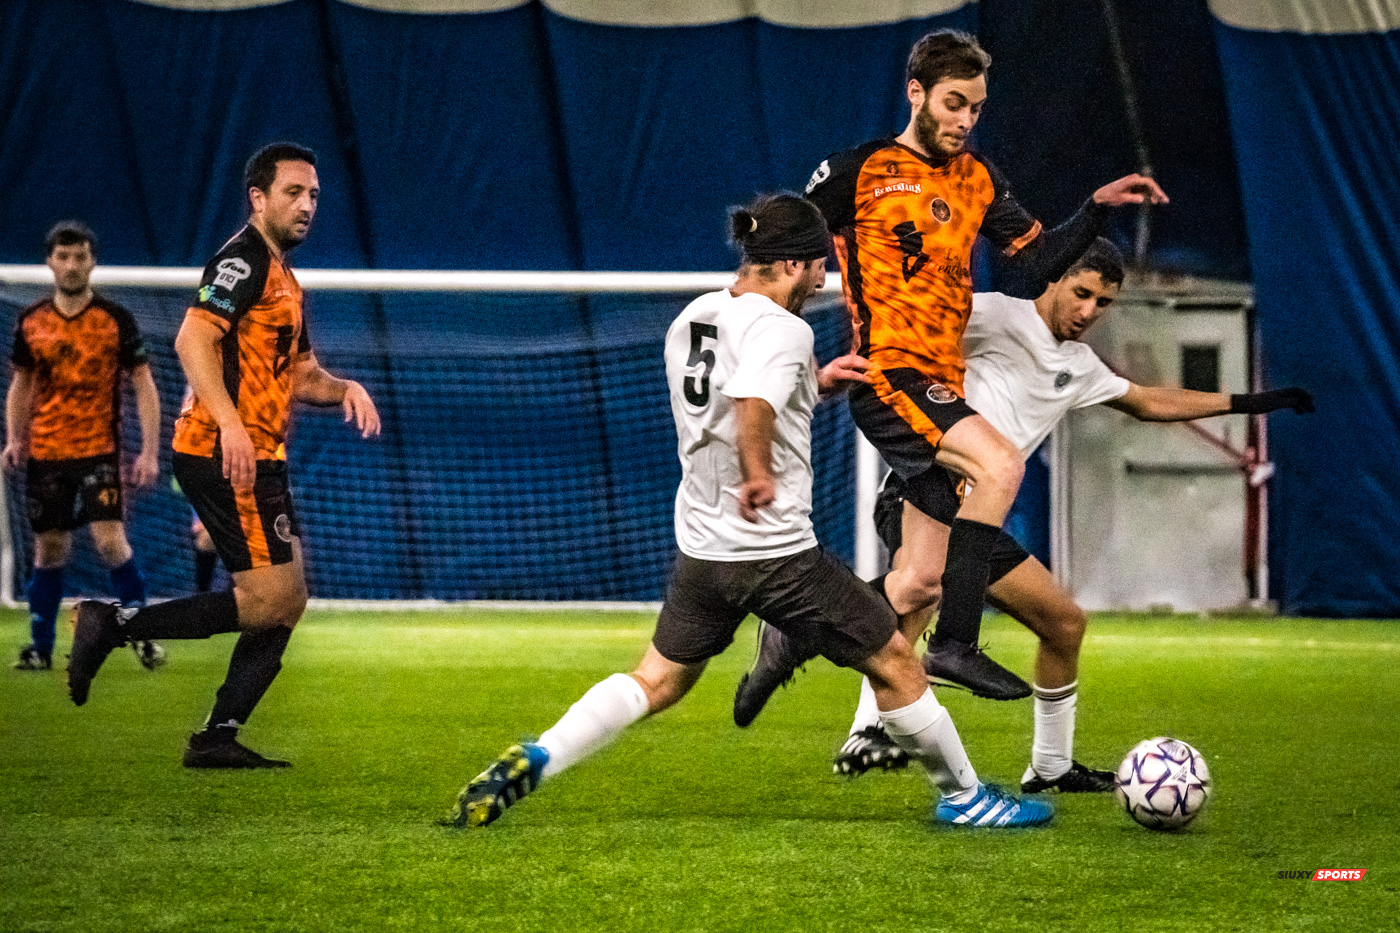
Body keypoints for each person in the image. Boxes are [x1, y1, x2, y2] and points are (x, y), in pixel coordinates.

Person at [444, 193, 1051, 830]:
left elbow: (731, 396)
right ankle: (966, 799)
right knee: (895, 660)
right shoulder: (785, 329)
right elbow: (750, 403)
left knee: (657, 680)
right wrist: (758, 473)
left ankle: (540, 754)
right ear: (791, 264)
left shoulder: (694, 317)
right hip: (775, 553)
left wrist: (817, 384)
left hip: (702, 551)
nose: (820, 279)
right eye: (817, 266)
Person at [739, 238, 1314, 792]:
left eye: (1103, 302)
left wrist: (1251, 403)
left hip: (980, 516)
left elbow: (1147, 400)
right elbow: (913, 336)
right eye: (1082, 293)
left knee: (1063, 623)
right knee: (921, 589)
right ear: (1055, 278)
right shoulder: (995, 315)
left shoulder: (1081, 365)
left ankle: (1051, 767)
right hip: (924, 487)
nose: (1089, 311)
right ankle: (859, 719)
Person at [802, 29, 1169, 700]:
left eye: (975, 108)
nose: (965, 120)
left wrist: (1094, 211)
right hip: (890, 372)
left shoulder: (978, 178)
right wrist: (783, 346)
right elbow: (788, 248)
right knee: (1000, 465)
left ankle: (799, 642)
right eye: (954, 103)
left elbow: (1037, 261)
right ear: (916, 93)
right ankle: (955, 645)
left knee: (919, 579)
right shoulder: (858, 170)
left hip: (941, 381)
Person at [65, 142, 381, 769]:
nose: (307, 204)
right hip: (223, 452)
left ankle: (217, 735)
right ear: (257, 198)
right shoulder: (242, 259)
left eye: (314, 195)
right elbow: (192, 339)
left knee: (285, 601)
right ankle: (113, 624)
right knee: (268, 601)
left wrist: (346, 387)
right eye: (293, 192)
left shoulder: (284, 279)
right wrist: (231, 425)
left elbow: (302, 375)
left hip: (259, 455)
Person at [4, 221, 164, 672]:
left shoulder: (115, 320)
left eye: (80, 256)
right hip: (46, 454)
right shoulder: (32, 321)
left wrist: (150, 451)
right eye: (63, 256)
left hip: (98, 451)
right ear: (49, 262)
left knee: (110, 541)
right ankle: (41, 649)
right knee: (49, 550)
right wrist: (14, 438)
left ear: (93, 262)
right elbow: (21, 385)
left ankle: (143, 637)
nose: (72, 265)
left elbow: (144, 384)